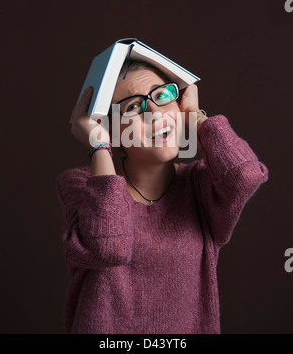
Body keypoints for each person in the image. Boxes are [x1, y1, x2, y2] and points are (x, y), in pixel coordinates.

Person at [56, 60, 269, 334]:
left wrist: (196, 116)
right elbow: (109, 248)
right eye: (134, 106)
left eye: (162, 95)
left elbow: (245, 176)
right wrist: (98, 145)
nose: (155, 113)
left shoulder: (202, 185)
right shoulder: (81, 185)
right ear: (110, 127)